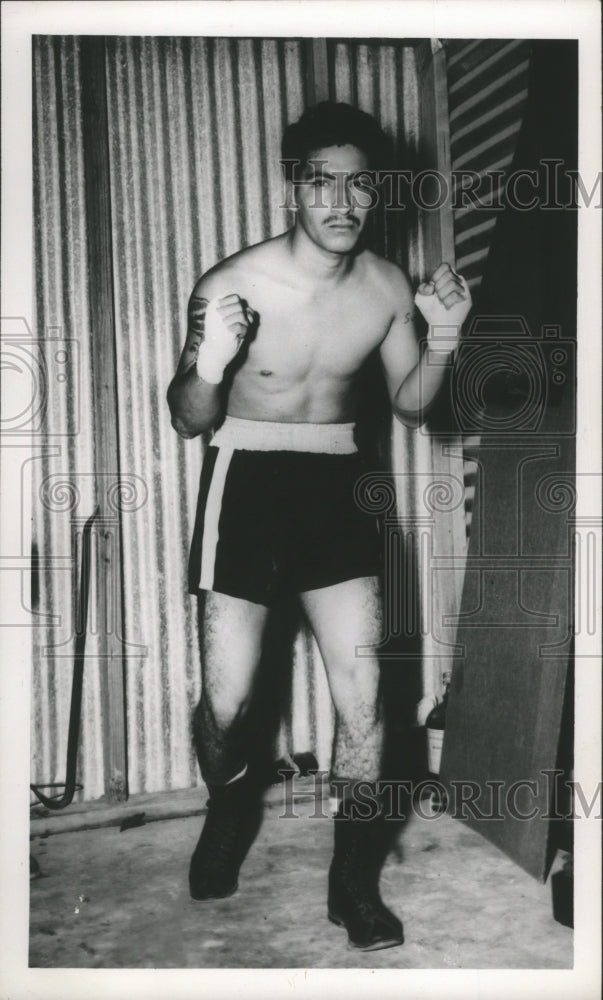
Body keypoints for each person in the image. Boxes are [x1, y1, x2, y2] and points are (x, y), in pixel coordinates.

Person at [167, 101, 471, 951]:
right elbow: (189, 420)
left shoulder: (381, 288)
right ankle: (232, 802)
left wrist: (441, 338)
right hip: (247, 479)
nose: (341, 199)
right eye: (320, 181)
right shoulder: (233, 284)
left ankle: (351, 887)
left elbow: (414, 409)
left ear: (375, 193)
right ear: (293, 188)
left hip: (338, 481)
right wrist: (209, 363)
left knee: (367, 695)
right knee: (227, 705)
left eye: (358, 182)